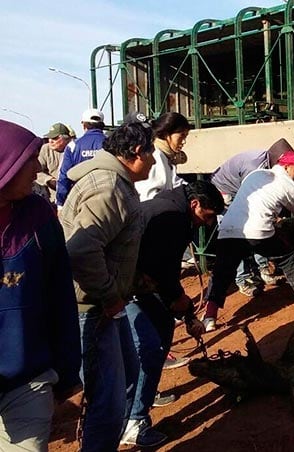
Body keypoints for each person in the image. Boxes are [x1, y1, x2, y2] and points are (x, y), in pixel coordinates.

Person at [60, 121, 156, 451]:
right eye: (151, 154)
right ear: (136, 153)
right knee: (108, 402)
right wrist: (111, 293)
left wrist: (130, 280)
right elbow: (82, 250)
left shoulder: (118, 182)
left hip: (103, 303)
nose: (155, 161)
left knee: (128, 375)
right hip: (92, 307)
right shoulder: (110, 187)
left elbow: (112, 243)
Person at [121, 181, 223, 447]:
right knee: (148, 348)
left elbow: (162, 273)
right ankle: (132, 422)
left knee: (162, 331)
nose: (208, 224)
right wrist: (184, 308)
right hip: (126, 285)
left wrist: (185, 312)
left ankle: (142, 399)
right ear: (195, 205)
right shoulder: (173, 218)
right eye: (208, 216)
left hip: (142, 282)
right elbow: (160, 273)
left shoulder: (174, 209)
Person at [0, 120, 82, 451]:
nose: (37, 169)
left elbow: (60, 294)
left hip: (28, 378)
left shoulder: (38, 214)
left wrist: (66, 368)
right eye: (28, 160)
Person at [203, 150, 294, 332]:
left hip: (228, 229)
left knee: (221, 273)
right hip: (257, 231)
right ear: (286, 167)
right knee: (288, 258)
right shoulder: (289, 186)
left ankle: (209, 317)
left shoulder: (256, 174)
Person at [210, 138, 294, 295]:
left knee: (257, 227)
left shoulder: (267, 164)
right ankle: (243, 279)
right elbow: (249, 198)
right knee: (237, 234)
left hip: (238, 190)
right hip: (224, 192)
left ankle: (264, 269)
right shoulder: (254, 167)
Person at [134, 111, 190, 201]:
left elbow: (174, 182)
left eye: (185, 137)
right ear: (166, 134)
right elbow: (149, 197)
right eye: (181, 136)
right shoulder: (155, 157)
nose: (184, 142)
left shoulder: (165, 156)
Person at [56, 108, 106, 208]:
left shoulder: (73, 146)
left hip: (81, 200)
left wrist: (60, 204)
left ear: (83, 125)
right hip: (108, 198)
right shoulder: (113, 144)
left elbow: (63, 177)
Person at [34, 122, 74, 203]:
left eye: (55, 138)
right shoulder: (46, 149)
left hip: (72, 196)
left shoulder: (75, 149)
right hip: (53, 198)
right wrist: (48, 180)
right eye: (49, 138)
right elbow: (36, 171)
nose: (50, 141)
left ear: (66, 139)